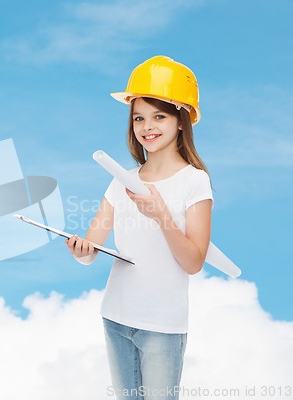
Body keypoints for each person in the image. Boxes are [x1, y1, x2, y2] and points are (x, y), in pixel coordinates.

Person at [65, 56, 213, 400]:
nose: (148, 126)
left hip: (162, 326)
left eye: (159, 116)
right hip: (116, 316)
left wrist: (161, 215)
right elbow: (92, 247)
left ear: (182, 119)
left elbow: (193, 262)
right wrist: (80, 251)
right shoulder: (123, 181)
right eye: (139, 118)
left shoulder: (194, 182)